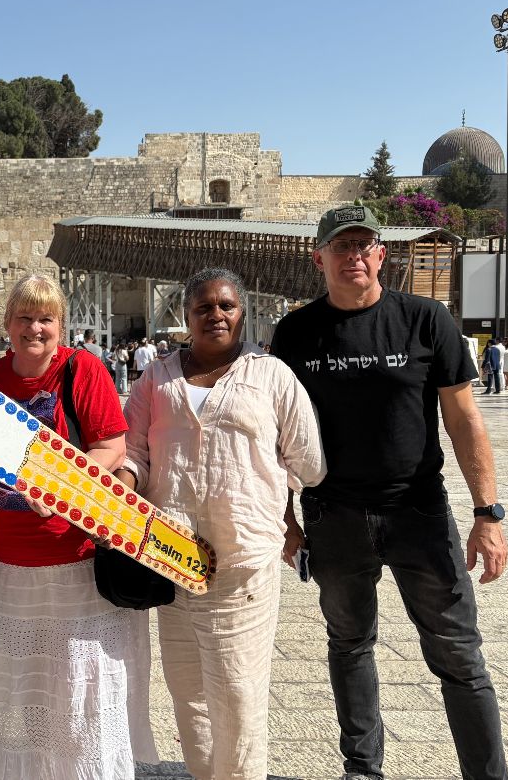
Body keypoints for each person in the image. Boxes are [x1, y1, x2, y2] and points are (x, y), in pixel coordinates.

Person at [272, 205, 508, 780]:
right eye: (341, 246)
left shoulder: (427, 320)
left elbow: (464, 421)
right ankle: (362, 768)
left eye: (363, 245)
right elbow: (273, 435)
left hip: (418, 510)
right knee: (350, 643)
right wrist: (286, 519)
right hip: (335, 514)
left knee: (458, 653)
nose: (353, 255)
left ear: (381, 254)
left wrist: (488, 514)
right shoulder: (296, 333)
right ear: (319, 257)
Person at [118, 267, 325, 780]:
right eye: (203, 307)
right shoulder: (156, 378)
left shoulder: (271, 375)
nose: (215, 315)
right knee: (189, 694)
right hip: (171, 556)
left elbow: (309, 461)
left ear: (242, 311)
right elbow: (136, 451)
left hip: (243, 559)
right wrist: (122, 477)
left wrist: (273, 498)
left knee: (237, 692)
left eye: (226, 306)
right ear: (185, 316)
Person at [0, 274, 158, 779]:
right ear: (8, 323)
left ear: (60, 325)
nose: (35, 328)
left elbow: (110, 446)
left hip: (73, 561)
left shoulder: (83, 370)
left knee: (80, 690)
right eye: (24, 317)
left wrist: (60, 492)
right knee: (18, 688)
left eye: (46, 319)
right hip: (8, 565)